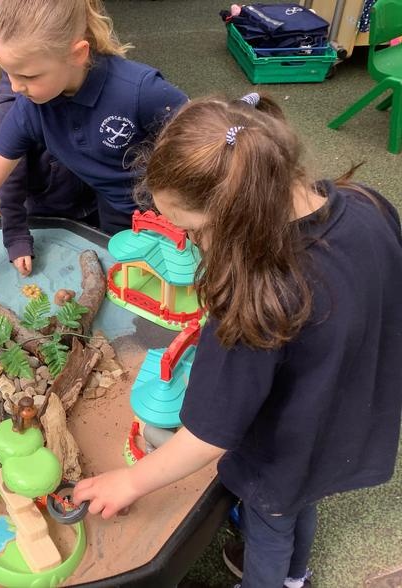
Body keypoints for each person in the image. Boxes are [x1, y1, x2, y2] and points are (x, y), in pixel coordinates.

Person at [73, 94, 402, 588]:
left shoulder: (257, 298)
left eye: (194, 232)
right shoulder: (368, 204)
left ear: (235, 216)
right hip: (346, 414)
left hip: (285, 447)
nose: (194, 244)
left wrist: (131, 480)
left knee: (270, 521)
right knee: (297, 501)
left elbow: (209, 434)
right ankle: (296, 577)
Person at [0, 0, 187, 282]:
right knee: (130, 285)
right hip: (115, 212)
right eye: (8, 73)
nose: (15, 87)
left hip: (176, 211)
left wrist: (188, 217)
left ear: (78, 54)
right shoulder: (30, 107)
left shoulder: (141, 90)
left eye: (27, 75)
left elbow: (203, 141)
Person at [0, 70, 98, 277]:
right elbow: (7, 182)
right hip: (46, 213)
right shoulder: (10, 110)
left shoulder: (77, 87)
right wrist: (17, 238)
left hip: (95, 204)